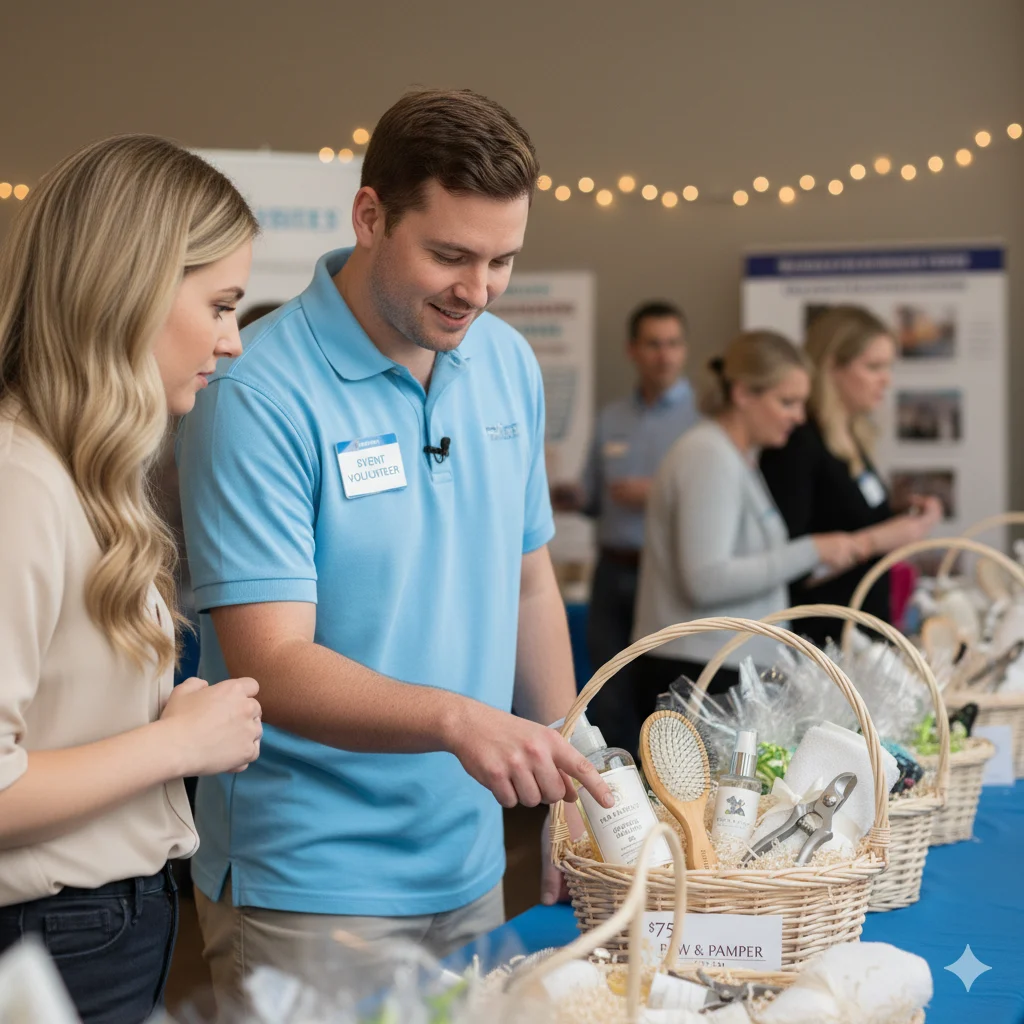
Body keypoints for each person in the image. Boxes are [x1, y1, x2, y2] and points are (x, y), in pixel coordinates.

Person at [175, 89, 612, 1003]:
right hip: (310, 878)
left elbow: (529, 580)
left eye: (502, 261)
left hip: (466, 859)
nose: (478, 291)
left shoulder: (506, 361)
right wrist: (459, 719)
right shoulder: (256, 393)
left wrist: (575, 773)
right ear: (370, 216)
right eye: (449, 255)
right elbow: (272, 663)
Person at [0, 135, 264, 1024]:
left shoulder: (76, 472)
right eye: (221, 305)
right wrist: (178, 746)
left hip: (100, 927)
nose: (231, 342)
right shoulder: (22, 482)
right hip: (52, 934)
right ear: (135, 287)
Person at [631, 331, 863, 720]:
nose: (799, 416)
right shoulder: (708, 454)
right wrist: (812, 550)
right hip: (698, 673)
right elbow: (705, 579)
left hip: (722, 666)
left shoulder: (736, 456)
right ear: (741, 393)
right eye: (786, 401)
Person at [553, 301, 698, 750]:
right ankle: (621, 804)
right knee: (609, 690)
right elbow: (597, 498)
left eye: (673, 344)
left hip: (669, 576)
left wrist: (653, 492)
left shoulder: (703, 419)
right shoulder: (611, 418)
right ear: (632, 350)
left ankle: (668, 803)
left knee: (664, 696)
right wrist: (572, 497)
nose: (665, 355)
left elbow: (711, 501)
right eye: (654, 344)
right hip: (612, 572)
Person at [760, 306, 942, 648]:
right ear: (831, 367)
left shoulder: (850, 436)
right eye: (873, 367)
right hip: (822, 644)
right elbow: (792, 567)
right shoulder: (797, 443)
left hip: (861, 635)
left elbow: (842, 511)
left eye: (888, 367)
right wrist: (879, 537)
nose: (885, 380)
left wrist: (896, 511)